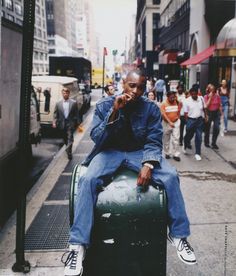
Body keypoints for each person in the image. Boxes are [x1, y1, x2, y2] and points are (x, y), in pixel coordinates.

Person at [62, 69, 196, 276]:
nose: (136, 91)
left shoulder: (150, 108)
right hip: (109, 153)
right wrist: (115, 111)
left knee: (170, 176)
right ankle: (77, 246)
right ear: (123, 84)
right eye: (132, 86)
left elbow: (153, 139)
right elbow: (98, 138)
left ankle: (179, 236)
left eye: (141, 87)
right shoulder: (105, 105)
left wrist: (149, 164)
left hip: (138, 153)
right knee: (88, 179)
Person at [52, 87, 80, 160]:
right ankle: (68, 149)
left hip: (70, 123)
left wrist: (78, 123)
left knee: (70, 138)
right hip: (61, 124)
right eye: (64, 93)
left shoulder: (73, 103)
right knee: (65, 138)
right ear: (62, 94)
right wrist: (54, 122)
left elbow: (76, 114)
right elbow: (55, 114)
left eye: (66, 93)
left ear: (69, 94)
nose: (65, 94)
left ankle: (69, 152)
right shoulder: (58, 103)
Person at [183, 87, 207, 161]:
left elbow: (204, 108)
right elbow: (185, 113)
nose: (193, 95)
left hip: (199, 120)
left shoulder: (201, 99)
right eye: (192, 94)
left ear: (197, 93)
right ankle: (185, 143)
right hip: (190, 120)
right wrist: (187, 122)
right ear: (190, 94)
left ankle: (197, 153)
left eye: (195, 94)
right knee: (189, 135)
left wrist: (206, 116)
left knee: (199, 137)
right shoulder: (186, 101)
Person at [160, 91, 181, 161]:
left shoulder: (176, 101)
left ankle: (176, 154)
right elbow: (163, 115)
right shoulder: (163, 104)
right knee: (166, 139)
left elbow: (180, 107)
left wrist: (178, 117)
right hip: (166, 124)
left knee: (176, 139)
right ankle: (167, 153)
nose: (173, 99)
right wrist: (170, 122)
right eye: (171, 97)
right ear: (167, 97)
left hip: (176, 122)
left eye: (174, 97)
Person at [204, 84, 222, 149]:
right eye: (210, 89)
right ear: (208, 90)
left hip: (216, 113)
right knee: (207, 128)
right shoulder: (206, 96)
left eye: (213, 89)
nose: (212, 91)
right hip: (209, 113)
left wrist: (221, 113)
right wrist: (210, 97)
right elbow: (206, 106)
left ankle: (213, 143)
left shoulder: (217, 96)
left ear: (214, 90)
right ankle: (206, 142)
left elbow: (219, 105)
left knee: (217, 128)